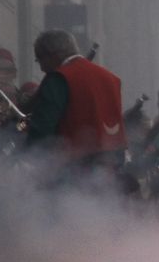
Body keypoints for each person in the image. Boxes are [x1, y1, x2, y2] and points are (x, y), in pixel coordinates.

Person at [24, 28, 128, 185]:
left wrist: (26, 151)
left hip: (73, 170)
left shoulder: (58, 78)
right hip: (111, 167)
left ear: (52, 54)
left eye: (40, 60)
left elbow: (43, 129)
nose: (42, 68)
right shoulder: (110, 78)